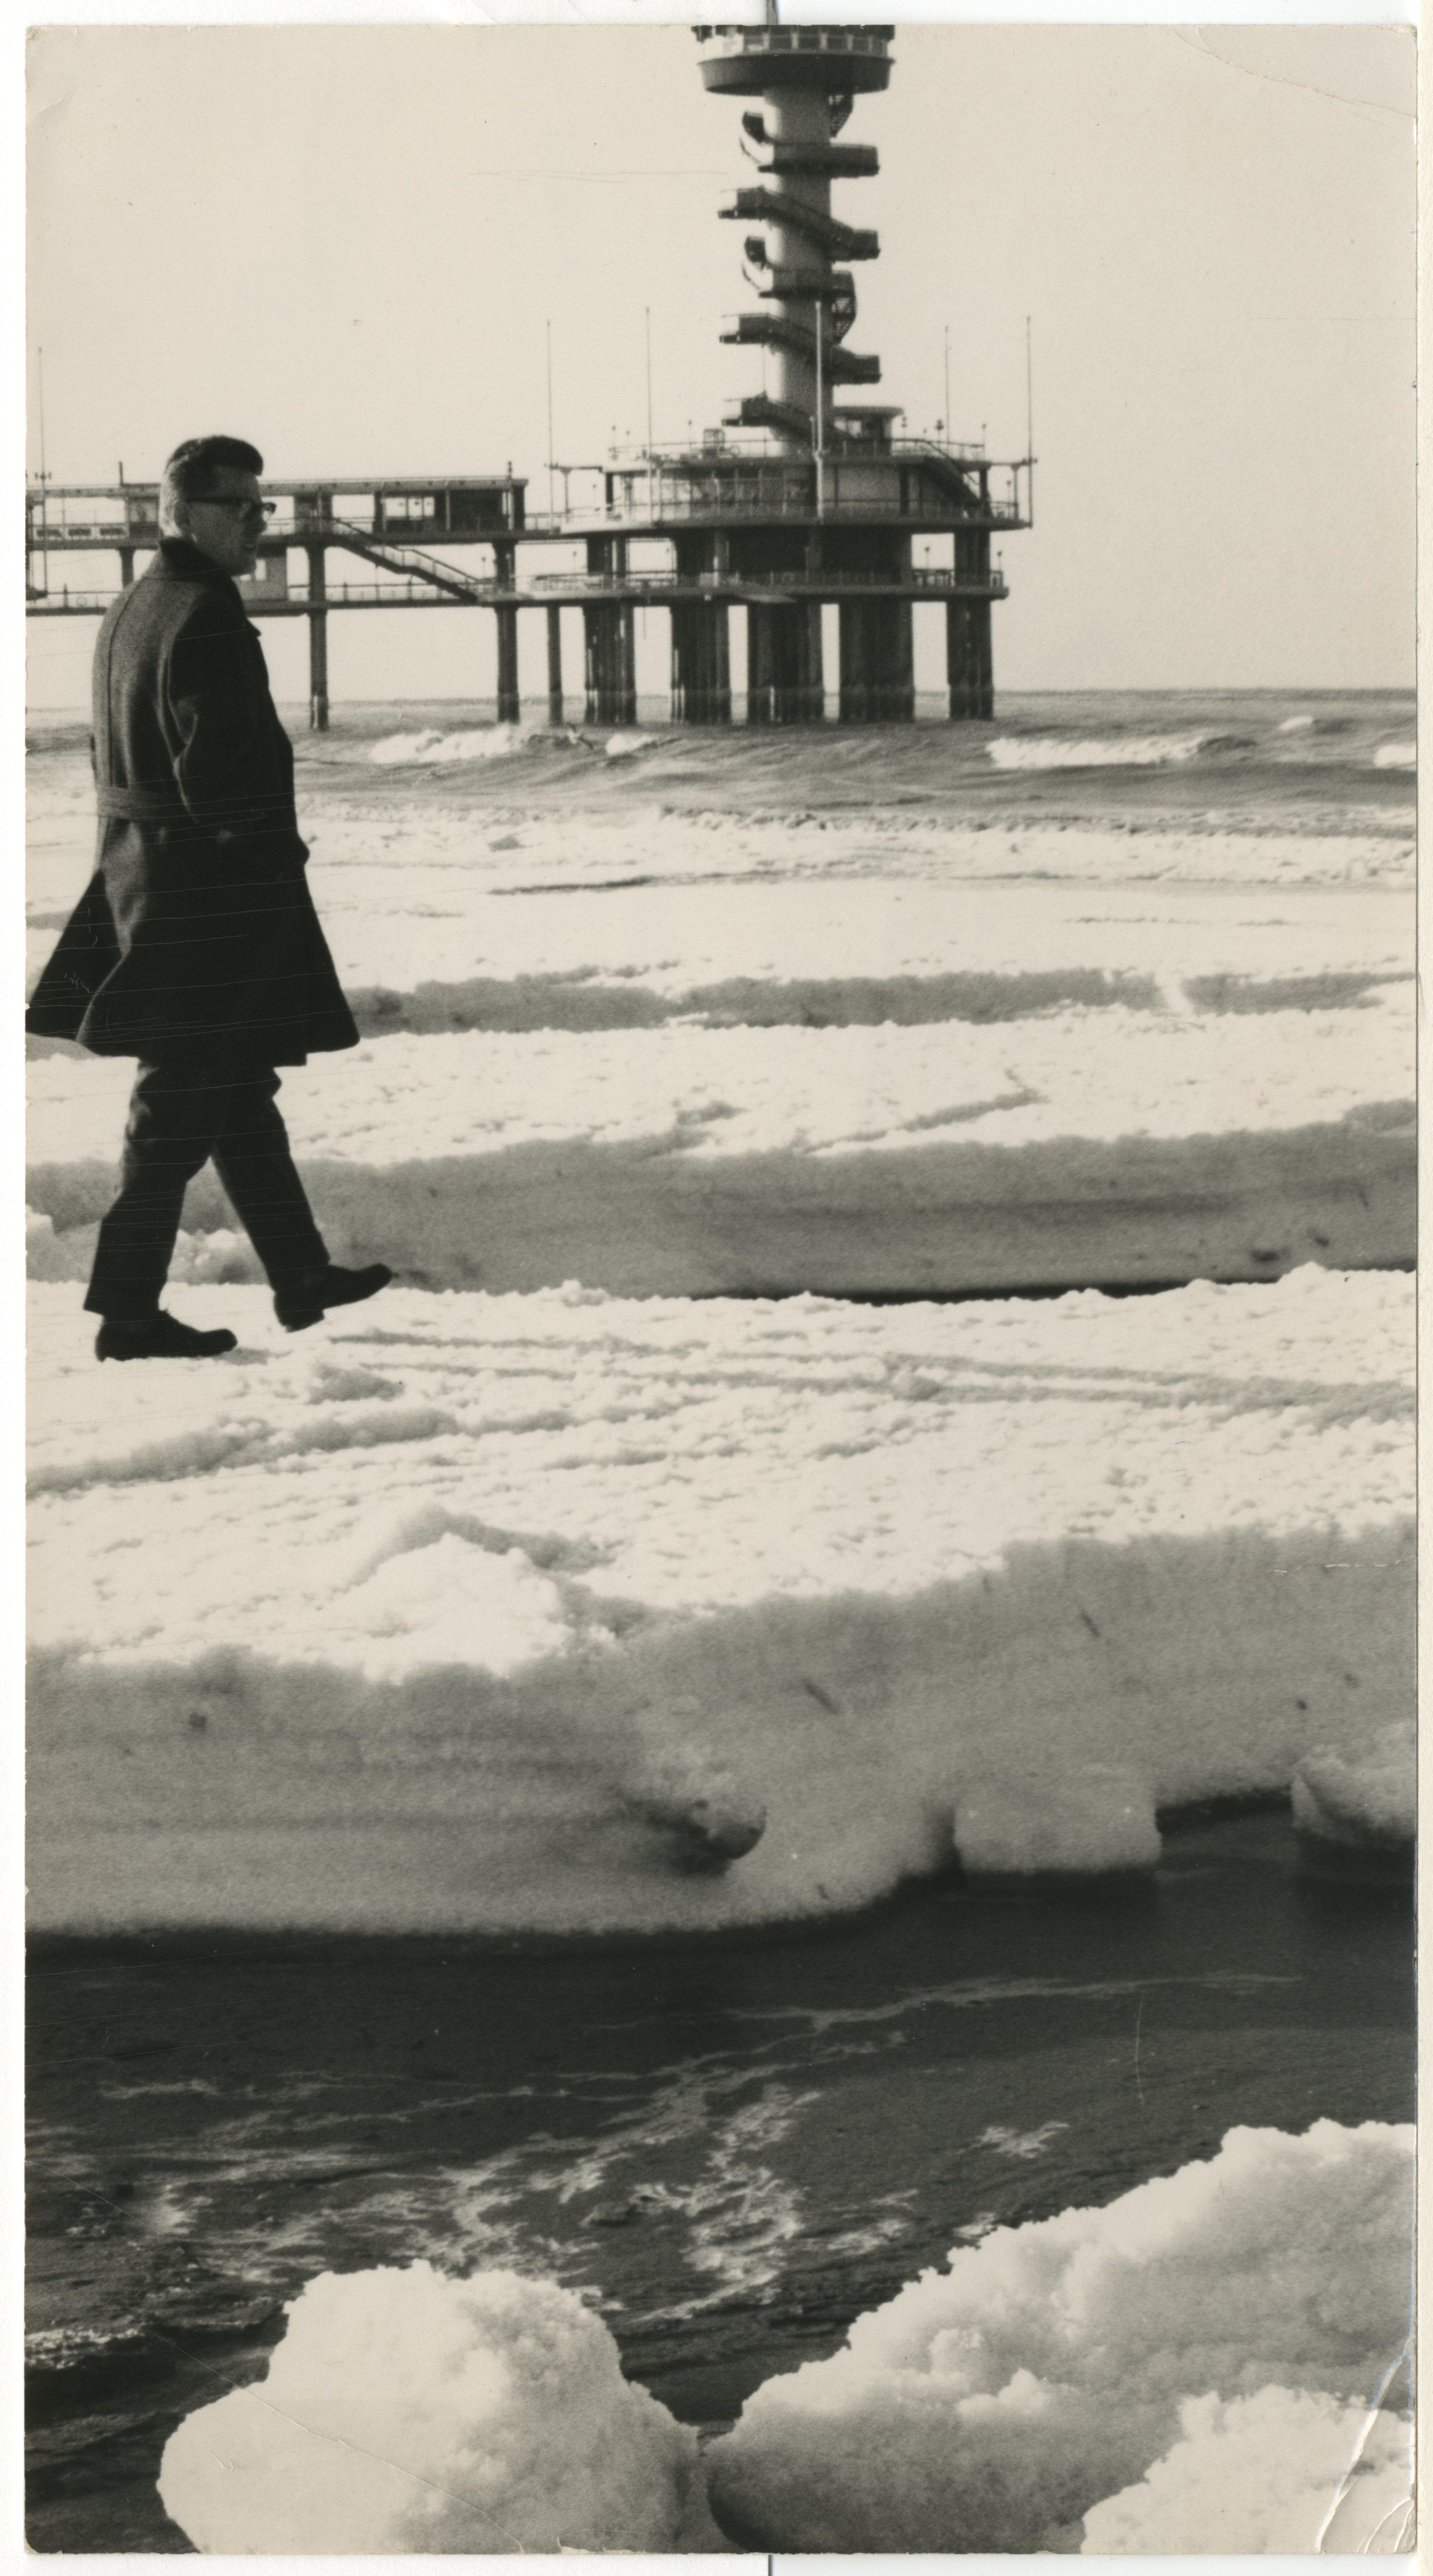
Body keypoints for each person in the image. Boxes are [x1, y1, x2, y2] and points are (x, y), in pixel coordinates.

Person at [27, 435, 391, 1361]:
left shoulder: (133, 605)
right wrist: (274, 858)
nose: (259, 524)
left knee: (230, 1089)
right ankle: (126, 1314)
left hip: (142, 879)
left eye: (264, 507)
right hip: (209, 904)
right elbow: (224, 781)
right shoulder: (207, 613)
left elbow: (113, 756)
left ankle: (300, 1273)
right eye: (242, 508)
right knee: (178, 1104)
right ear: (184, 514)